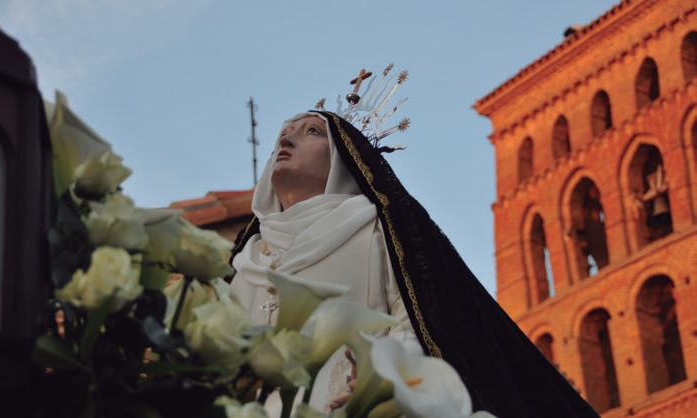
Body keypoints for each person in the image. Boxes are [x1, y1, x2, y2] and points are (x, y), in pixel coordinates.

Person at [229, 110, 598, 417]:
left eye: (311, 131)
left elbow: (416, 320)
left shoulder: (375, 227)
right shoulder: (247, 260)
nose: (287, 139)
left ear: (344, 158)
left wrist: (380, 378)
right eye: (284, 134)